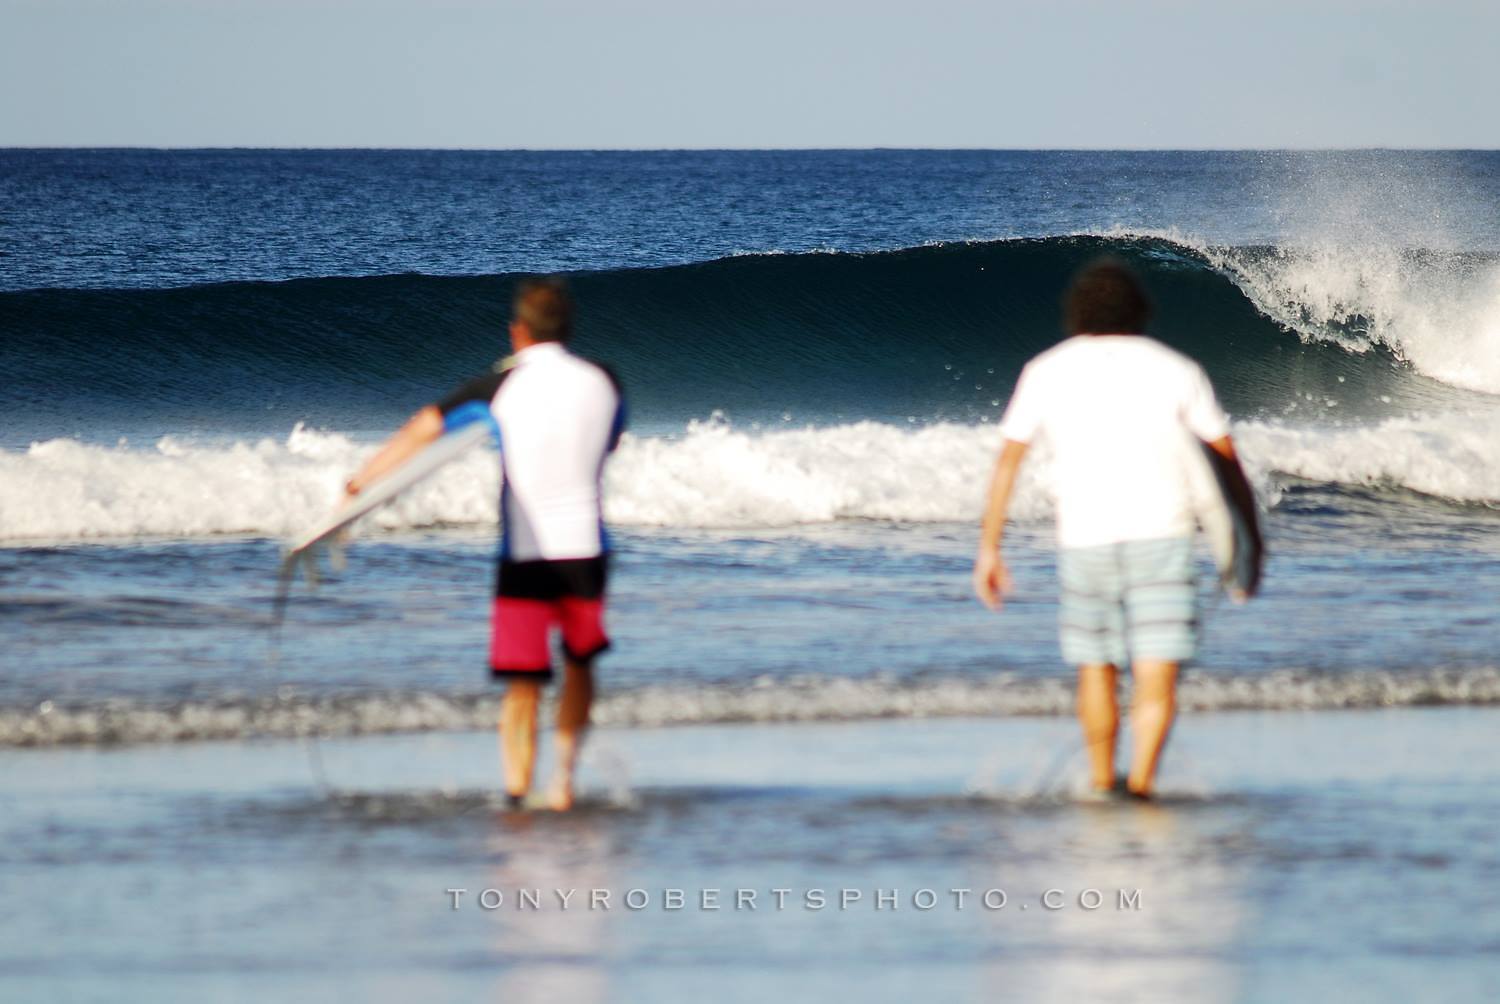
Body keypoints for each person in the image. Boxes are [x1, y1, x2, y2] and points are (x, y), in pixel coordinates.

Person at [973, 259, 1259, 799]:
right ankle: (1143, 785)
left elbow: (1008, 462)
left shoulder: (1046, 369)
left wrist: (989, 549)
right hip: (1165, 534)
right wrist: (1250, 540)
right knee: (1158, 669)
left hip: (1085, 538)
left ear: (1076, 311)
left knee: (1096, 667)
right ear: (1140, 310)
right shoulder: (1177, 369)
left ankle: (1103, 783)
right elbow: (1227, 460)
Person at [344, 278, 624, 810]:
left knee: (524, 681)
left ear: (517, 332)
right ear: (567, 327)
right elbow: (610, 440)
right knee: (580, 665)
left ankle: (517, 791)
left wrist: (359, 483)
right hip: (587, 550)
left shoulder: (496, 388)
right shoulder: (605, 381)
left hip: (523, 555)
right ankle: (563, 783)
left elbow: (424, 427)